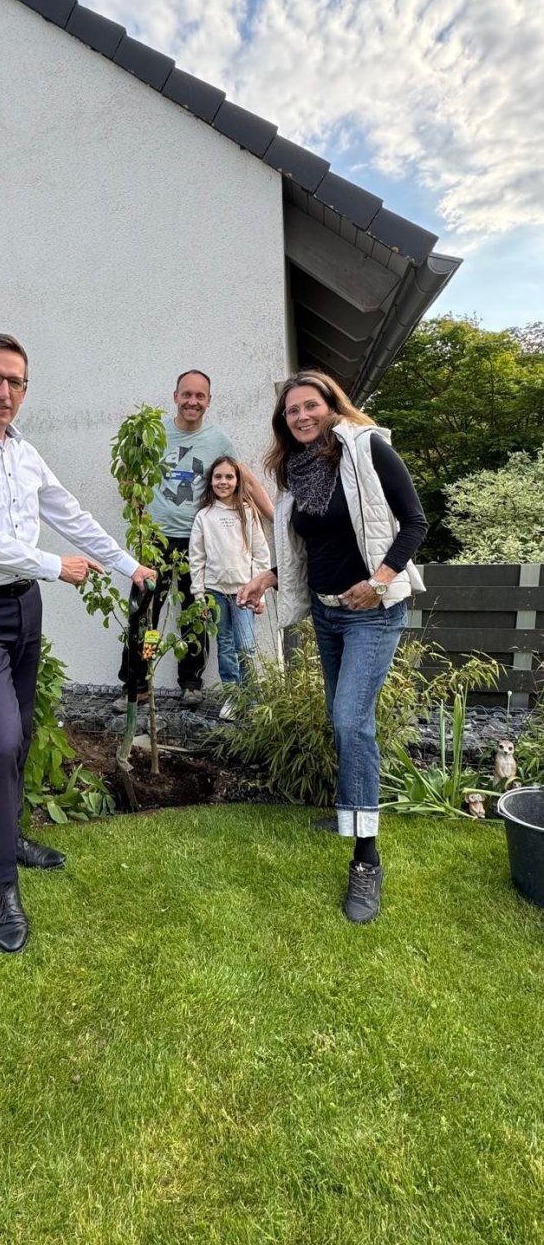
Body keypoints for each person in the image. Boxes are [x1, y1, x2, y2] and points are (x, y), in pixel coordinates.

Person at [0, 333, 156, 955]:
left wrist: (128, 565)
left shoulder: (25, 453)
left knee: (19, 732)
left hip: (24, 609)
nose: (4, 392)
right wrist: (56, 565)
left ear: (25, 390)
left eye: (15, 382)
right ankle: (2, 886)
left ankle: (11, 835)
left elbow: (69, 512)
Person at [238, 370, 427, 924]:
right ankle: (350, 812)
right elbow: (307, 547)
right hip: (327, 613)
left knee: (351, 721)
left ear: (330, 406)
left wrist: (381, 579)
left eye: (309, 406)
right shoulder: (293, 471)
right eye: (291, 411)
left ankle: (366, 858)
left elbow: (414, 522)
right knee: (341, 717)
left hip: (372, 610)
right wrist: (268, 577)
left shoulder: (367, 447)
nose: (301, 416)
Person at [113, 369, 272, 712]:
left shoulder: (218, 441)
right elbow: (127, 470)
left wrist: (277, 518)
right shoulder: (155, 435)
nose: (192, 402)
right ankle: (138, 684)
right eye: (187, 395)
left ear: (209, 401)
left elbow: (248, 480)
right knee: (146, 616)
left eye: (200, 396)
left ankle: (191, 683)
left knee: (196, 613)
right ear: (175, 397)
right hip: (154, 542)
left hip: (197, 544)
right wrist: (138, 507)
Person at [188, 456, 270, 720]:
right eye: (218, 477)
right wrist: (199, 596)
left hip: (245, 592)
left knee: (245, 646)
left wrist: (260, 592)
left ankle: (252, 698)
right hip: (215, 593)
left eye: (229, 477)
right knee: (224, 644)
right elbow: (196, 558)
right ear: (211, 482)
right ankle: (233, 697)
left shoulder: (248, 513)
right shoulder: (204, 516)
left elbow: (261, 555)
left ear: (237, 481)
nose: (223, 482)